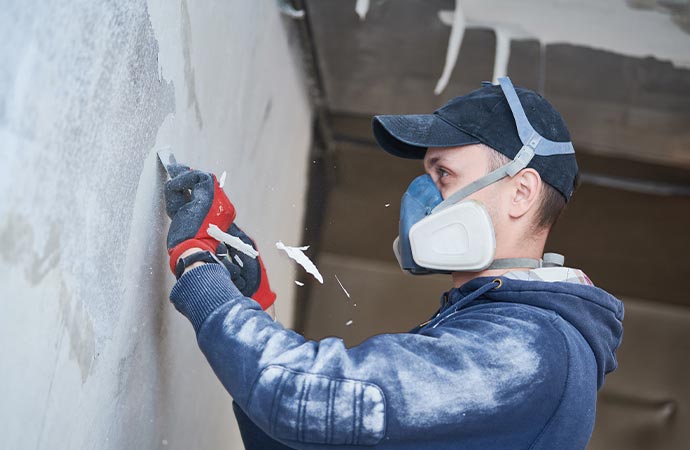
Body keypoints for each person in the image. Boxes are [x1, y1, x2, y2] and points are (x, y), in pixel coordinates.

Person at [163, 77, 624, 450]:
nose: (423, 200)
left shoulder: (530, 347)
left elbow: (301, 398)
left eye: (443, 174)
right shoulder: (503, 327)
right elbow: (301, 434)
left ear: (521, 192)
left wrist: (199, 265)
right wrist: (251, 305)